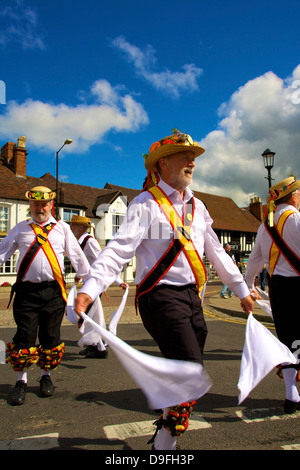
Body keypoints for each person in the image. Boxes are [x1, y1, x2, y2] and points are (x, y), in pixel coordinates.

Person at [74, 129, 253, 449]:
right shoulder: (145, 204)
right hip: (159, 296)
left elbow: (217, 252)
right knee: (188, 369)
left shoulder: (199, 207)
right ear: (163, 163)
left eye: (194, 158)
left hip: (192, 297)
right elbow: (117, 250)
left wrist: (242, 291)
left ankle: (165, 426)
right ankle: (164, 446)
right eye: (185, 157)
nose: (192, 163)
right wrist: (90, 288)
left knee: (189, 368)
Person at [0, 186, 90, 405]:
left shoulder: (62, 229)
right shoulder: (20, 228)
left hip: (53, 292)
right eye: (35, 205)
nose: (40, 208)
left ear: (51, 205)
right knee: (25, 336)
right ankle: (21, 380)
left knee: (50, 336)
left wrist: (89, 280)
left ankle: (45, 377)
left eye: (44, 204)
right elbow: (3, 252)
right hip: (26, 292)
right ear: (31, 206)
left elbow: (76, 255)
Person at [244, 176, 300, 414]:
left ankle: (291, 395)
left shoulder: (264, 226)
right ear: (294, 196)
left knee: (288, 341)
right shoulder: (297, 219)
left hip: (278, 289)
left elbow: (255, 260)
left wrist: (246, 287)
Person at [70, 214, 127, 358]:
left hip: (94, 285)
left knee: (89, 316)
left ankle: (100, 348)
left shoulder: (90, 242)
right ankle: (93, 345)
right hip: (88, 284)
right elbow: (87, 263)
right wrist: (79, 275)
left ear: (81, 228)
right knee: (90, 316)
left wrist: (119, 281)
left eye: (73, 225)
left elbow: (103, 263)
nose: (71, 228)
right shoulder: (80, 242)